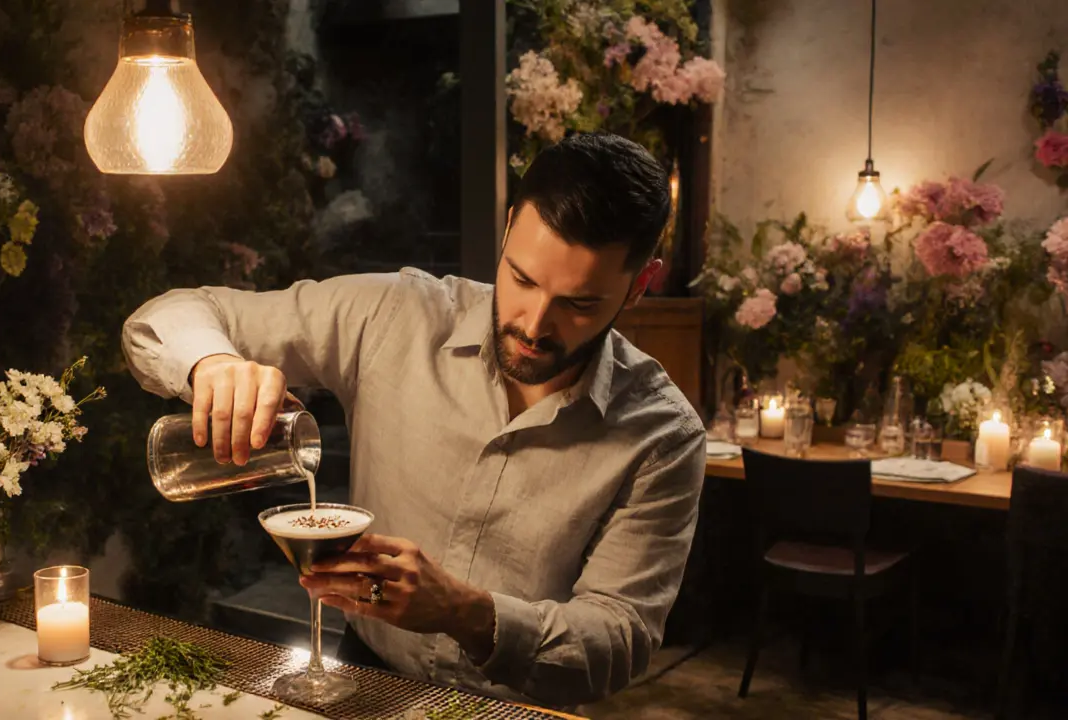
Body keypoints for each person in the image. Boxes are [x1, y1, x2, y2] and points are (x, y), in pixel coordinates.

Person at [122, 132, 706, 709]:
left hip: (520, 707)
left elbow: (619, 642)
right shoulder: (395, 316)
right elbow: (163, 319)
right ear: (507, 230)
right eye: (522, 278)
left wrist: (467, 613)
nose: (534, 324)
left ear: (639, 287)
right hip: (364, 675)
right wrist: (213, 362)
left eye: (579, 304)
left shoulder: (661, 433)